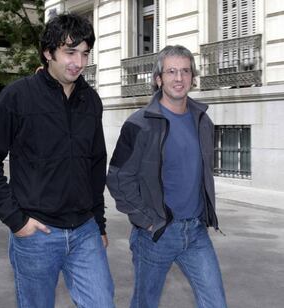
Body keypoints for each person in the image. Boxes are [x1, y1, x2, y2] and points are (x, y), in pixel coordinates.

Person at [0, 13, 115, 308]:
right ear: (48, 52)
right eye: (70, 52)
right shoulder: (18, 97)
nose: (78, 62)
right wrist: (17, 221)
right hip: (37, 233)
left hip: (85, 231)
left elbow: (95, 165)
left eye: (85, 53)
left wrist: (99, 224)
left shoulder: (92, 101)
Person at [107, 45, 227, 308]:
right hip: (157, 234)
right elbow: (118, 177)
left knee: (216, 303)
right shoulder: (139, 124)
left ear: (193, 78)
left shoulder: (202, 120)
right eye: (171, 71)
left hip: (195, 232)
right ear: (158, 79)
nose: (179, 78)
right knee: (144, 304)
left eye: (185, 71)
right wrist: (146, 221)